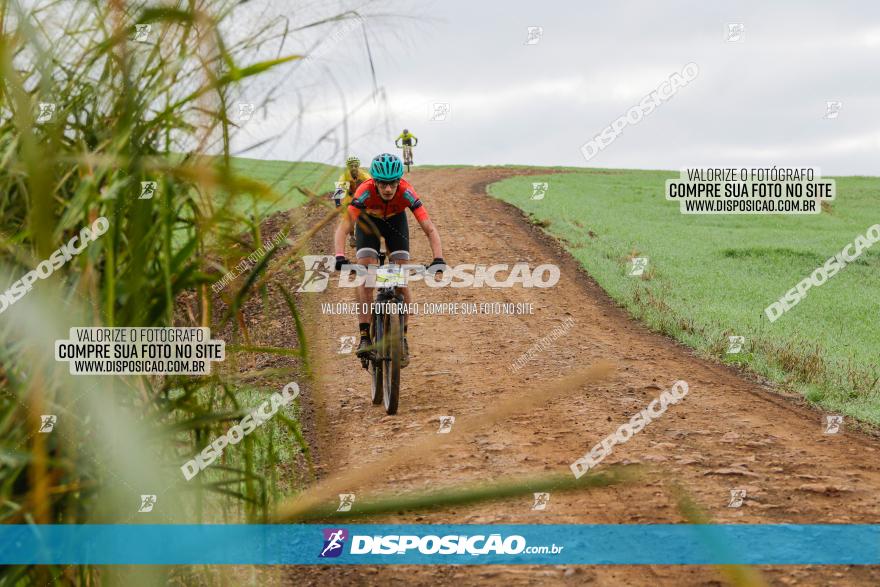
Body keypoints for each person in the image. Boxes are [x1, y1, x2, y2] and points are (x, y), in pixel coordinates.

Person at [333, 153, 445, 366]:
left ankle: (402, 337)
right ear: (374, 181)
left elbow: (429, 228)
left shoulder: (407, 191)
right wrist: (339, 256)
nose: (387, 189)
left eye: (392, 183)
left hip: (396, 224)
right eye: (383, 184)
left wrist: (438, 258)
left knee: (401, 281)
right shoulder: (363, 190)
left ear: (398, 181)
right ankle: (365, 337)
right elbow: (344, 227)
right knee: (367, 278)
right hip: (369, 222)